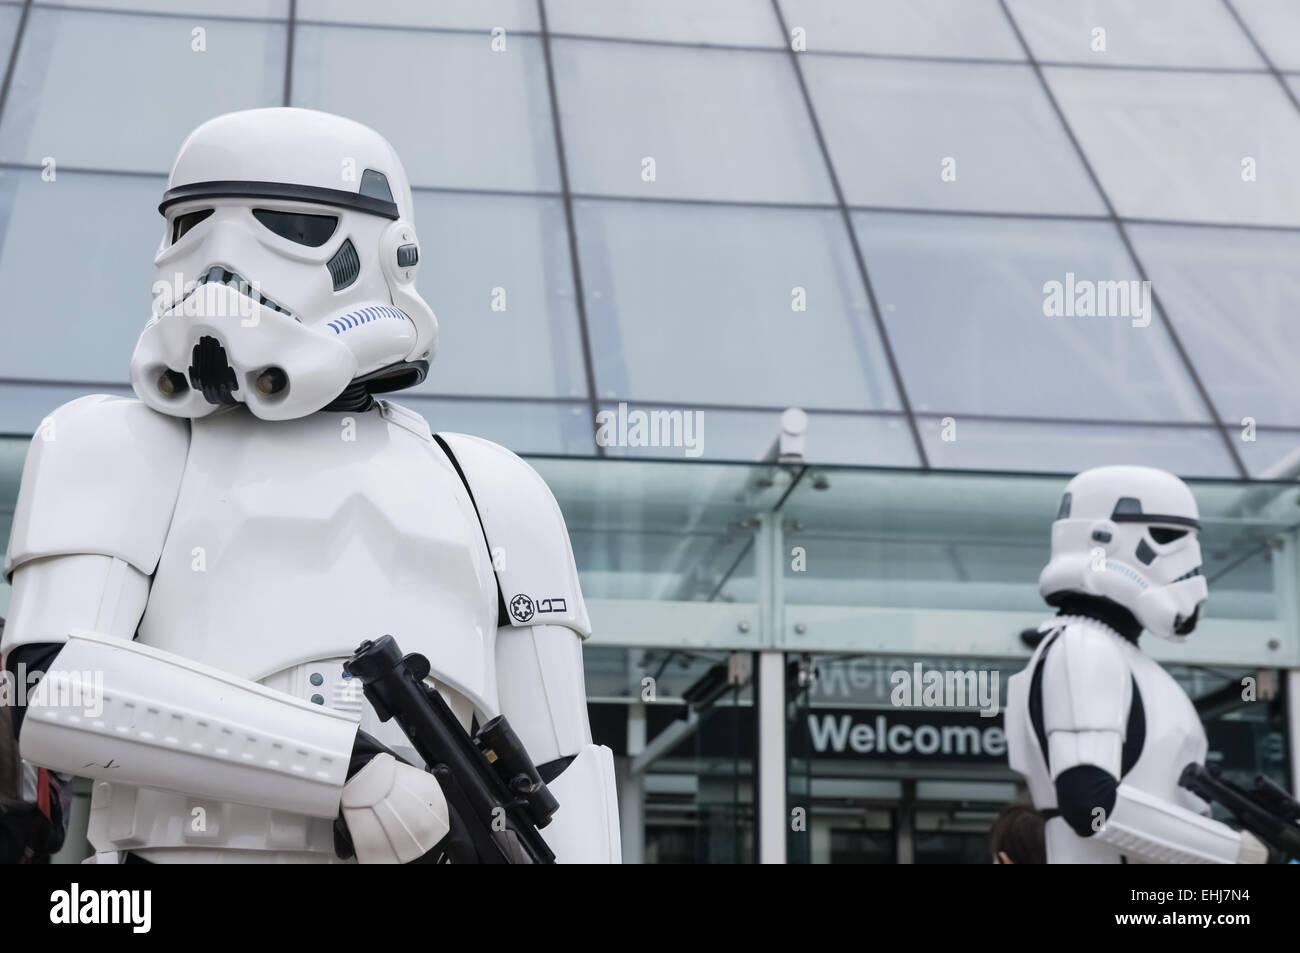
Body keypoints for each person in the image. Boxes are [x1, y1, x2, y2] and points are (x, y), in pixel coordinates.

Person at [1, 108, 620, 863]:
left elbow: (560, 773)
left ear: (389, 252)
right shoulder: (118, 443)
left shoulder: (494, 489)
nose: (222, 263)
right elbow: (54, 685)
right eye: (191, 225)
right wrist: (346, 769)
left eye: (286, 226)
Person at [1004, 466, 1266, 864]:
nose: (1189, 562)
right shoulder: (1084, 647)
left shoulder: (1118, 655)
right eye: (1166, 537)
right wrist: (1238, 853)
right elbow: (1089, 803)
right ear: (1100, 539)